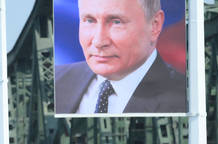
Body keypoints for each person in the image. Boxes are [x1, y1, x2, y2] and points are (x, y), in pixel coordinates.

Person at [55, 0, 186, 114]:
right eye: (89, 20)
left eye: (116, 22)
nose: (98, 42)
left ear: (155, 25)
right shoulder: (56, 81)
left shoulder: (187, 99)